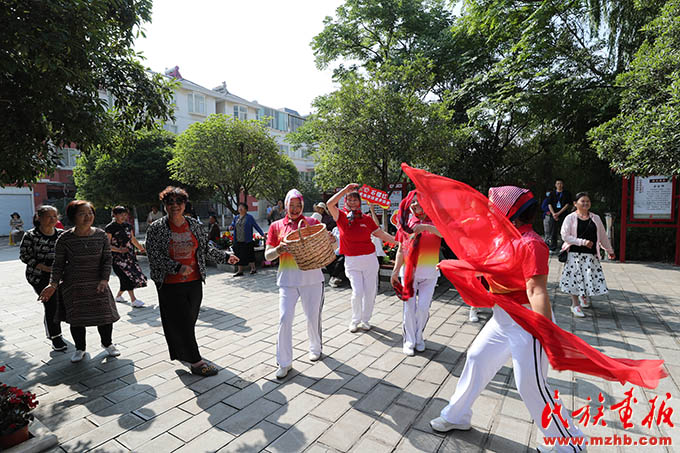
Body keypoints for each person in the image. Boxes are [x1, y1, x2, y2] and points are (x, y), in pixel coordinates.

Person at [427, 186, 586, 451]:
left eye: (493, 209)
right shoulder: (501, 238)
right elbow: (465, 239)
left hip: (528, 321)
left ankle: (568, 444)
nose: (489, 213)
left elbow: (536, 290)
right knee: (477, 358)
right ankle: (457, 415)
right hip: (502, 319)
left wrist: (546, 334)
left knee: (531, 387)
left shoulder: (531, 243)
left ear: (509, 214)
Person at [145, 186, 239, 377]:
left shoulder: (194, 225)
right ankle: (196, 362)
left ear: (185, 204)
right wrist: (177, 267)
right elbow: (153, 255)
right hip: (169, 283)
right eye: (169, 202)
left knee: (188, 320)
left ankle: (182, 351)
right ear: (164, 205)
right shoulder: (156, 228)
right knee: (182, 322)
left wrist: (225, 256)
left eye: (178, 202)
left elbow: (205, 248)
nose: (174, 206)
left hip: (194, 281)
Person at [39, 200, 121, 363]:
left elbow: (107, 259)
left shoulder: (101, 235)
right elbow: (58, 264)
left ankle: (107, 343)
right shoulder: (64, 238)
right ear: (73, 217)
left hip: (98, 283)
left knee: (104, 316)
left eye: (90, 213)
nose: (87, 217)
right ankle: (80, 348)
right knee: (76, 319)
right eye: (82, 214)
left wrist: (105, 279)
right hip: (74, 286)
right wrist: (53, 284)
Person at [264, 189, 325, 379]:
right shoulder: (276, 226)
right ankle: (284, 362)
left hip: (312, 278)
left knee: (312, 316)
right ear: (285, 205)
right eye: (292, 205)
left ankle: (315, 347)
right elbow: (267, 255)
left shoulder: (312, 223)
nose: (296, 209)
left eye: (299, 205)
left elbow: (327, 247)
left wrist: (332, 241)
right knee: (284, 319)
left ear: (303, 206)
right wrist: (278, 250)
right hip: (287, 280)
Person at [327, 183, 395, 332]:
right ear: (345, 202)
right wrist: (345, 190)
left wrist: (397, 241)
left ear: (360, 202)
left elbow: (381, 234)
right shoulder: (341, 217)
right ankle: (355, 320)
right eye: (349, 200)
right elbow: (329, 204)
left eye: (355, 200)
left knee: (370, 291)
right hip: (352, 261)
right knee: (357, 292)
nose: (352, 202)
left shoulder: (367, 219)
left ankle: (365, 319)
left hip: (369, 259)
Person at [391, 191, 442, 356]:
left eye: (418, 202)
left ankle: (419, 336)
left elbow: (446, 234)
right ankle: (409, 340)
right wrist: (395, 271)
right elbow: (400, 249)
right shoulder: (406, 221)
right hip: (409, 273)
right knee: (409, 308)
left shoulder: (436, 219)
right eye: (412, 202)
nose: (414, 205)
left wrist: (425, 227)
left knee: (423, 308)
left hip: (430, 272)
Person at [559, 192, 615, 318]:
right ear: (575, 203)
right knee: (574, 280)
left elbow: (603, 236)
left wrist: (609, 250)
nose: (585, 203)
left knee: (587, 277)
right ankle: (575, 305)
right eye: (582, 201)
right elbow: (565, 236)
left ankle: (583, 296)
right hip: (574, 254)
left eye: (587, 201)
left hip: (591, 255)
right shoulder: (570, 218)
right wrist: (583, 242)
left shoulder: (595, 218)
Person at [19, 205, 67, 351]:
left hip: (58, 274)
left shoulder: (61, 234)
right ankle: (55, 336)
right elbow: (24, 256)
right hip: (38, 276)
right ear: (39, 218)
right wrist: (45, 268)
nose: (53, 219)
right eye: (49, 216)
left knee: (61, 302)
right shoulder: (30, 235)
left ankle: (54, 329)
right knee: (51, 303)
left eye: (55, 216)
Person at [105, 206, 148, 308]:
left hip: (130, 257)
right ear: (114, 215)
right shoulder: (110, 228)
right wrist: (119, 250)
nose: (124, 217)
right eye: (121, 215)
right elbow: (107, 245)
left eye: (125, 214)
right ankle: (133, 300)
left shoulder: (128, 226)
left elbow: (132, 239)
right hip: (117, 258)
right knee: (126, 277)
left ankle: (119, 296)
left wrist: (141, 248)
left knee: (130, 277)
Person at [230, 202, 265, 276]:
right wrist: (230, 227)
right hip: (238, 240)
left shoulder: (249, 218)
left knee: (250, 254)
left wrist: (262, 234)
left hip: (247, 240)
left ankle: (253, 269)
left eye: (242, 207)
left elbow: (256, 226)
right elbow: (233, 224)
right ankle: (240, 271)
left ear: (246, 209)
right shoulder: (236, 217)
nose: (240, 208)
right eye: (239, 207)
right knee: (238, 255)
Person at [547, 179, 572, 251]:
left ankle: (564, 247)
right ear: (555, 185)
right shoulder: (552, 194)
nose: (559, 185)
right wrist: (554, 214)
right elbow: (549, 204)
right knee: (553, 231)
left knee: (564, 231)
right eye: (558, 183)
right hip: (553, 215)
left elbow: (567, 204)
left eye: (560, 183)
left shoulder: (566, 193)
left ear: (563, 184)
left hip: (563, 214)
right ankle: (553, 247)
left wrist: (559, 213)